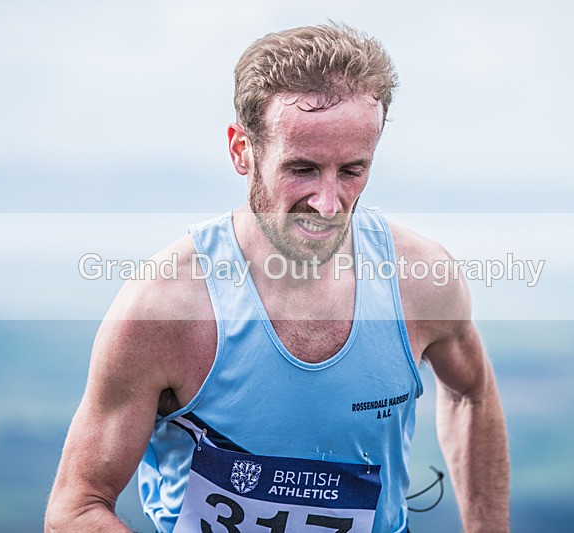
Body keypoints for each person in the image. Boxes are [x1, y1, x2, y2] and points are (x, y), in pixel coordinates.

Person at [45, 23, 509, 533]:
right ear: (242, 149)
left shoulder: (420, 280)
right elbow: (75, 509)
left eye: (352, 170)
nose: (329, 204)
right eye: (302, 169)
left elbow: (472, 394)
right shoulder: (164, 307)